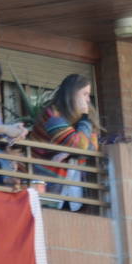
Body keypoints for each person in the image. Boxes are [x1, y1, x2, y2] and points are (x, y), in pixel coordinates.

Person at [27, 73, 96, 210]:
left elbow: (92, 148)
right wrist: (85, 119)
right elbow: (80, 145)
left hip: (70, 193)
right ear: (72, 93)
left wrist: (69, 152)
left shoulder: (79, 120)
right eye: (85, 94)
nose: (88, 100)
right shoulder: (51, 115)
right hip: (45, 190)